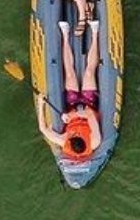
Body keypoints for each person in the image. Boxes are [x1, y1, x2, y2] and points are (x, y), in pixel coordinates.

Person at [35, 20, 102, 162]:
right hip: (88, 105)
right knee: (89, 72)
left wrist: (40, 104)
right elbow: (90, 115)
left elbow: (43, 129)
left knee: (70, 73)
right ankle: (95, 33)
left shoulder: (65, 141)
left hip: (72, 106)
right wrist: (72, 117)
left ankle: (65, 35)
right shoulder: (95, 141)